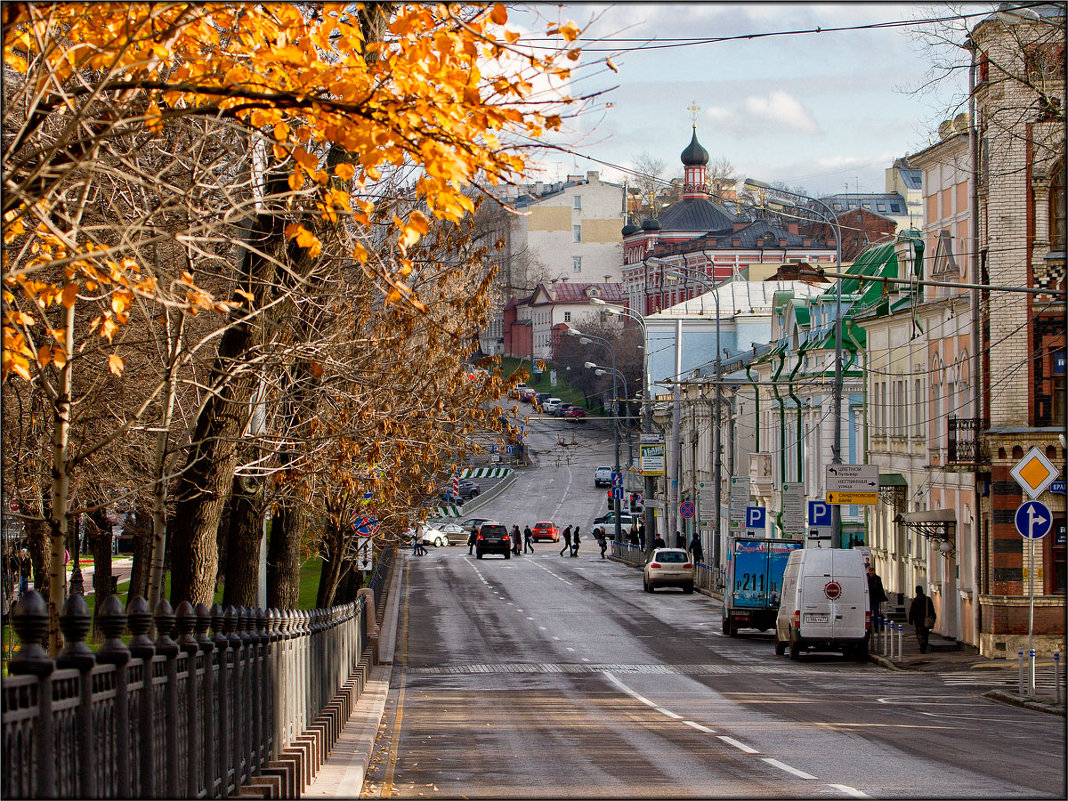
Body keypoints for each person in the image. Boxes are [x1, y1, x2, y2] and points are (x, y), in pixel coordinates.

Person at [907, 585, 936, 654]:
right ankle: (924, 646)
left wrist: (911, 620)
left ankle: (922, 646)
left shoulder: (915, 600)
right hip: (926, 620)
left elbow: (912, 611)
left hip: (918, 621)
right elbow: (932, 610)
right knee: (926, 634)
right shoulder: (928, 599)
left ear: (916, 591)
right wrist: (933, 618)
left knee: (920, 634)